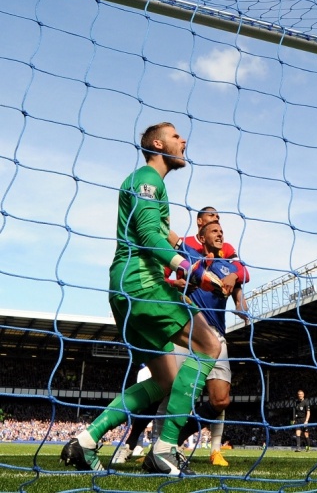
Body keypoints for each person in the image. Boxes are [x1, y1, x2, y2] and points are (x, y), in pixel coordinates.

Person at [60, 122, 225, 476]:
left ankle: (86, 441)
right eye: (176, 135)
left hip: (125, 289)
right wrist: (193, 271)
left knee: (165, 378)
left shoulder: (143, 185)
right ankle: (164, 450)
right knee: (209, 347)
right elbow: (149, 235)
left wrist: (182, 262)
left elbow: (156, 233)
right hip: (141, 283)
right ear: (157, 143)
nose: (183, 140)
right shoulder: (148, 180)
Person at [173, 221, 250, 467]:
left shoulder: (229, 265)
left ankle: (179, 437)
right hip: (189, 333)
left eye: (221, 231)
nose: (220, 234)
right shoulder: (190, 255)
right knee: (169, 389)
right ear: (201, 236)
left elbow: (244, 276)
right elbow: (169, 238)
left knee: (220, 401)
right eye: (214, 230)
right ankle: (158, 445)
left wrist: (239, 300)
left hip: (216, 335)